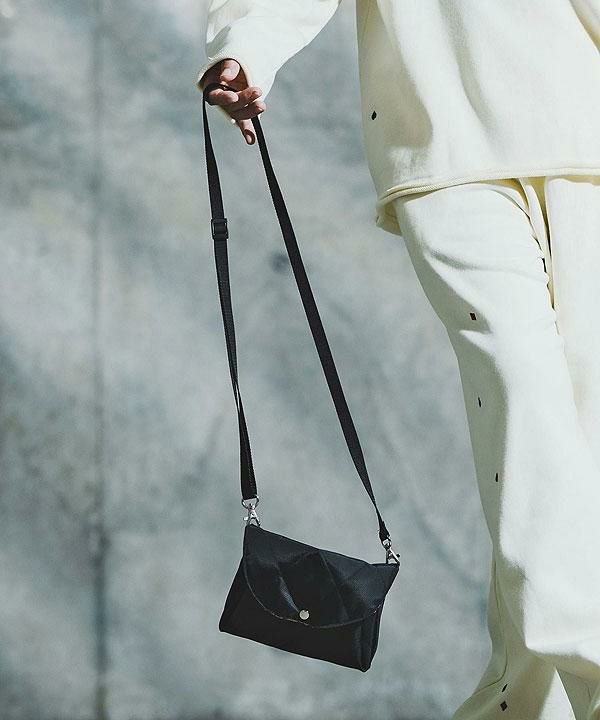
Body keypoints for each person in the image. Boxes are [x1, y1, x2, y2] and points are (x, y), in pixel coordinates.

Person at [196, 2, 600, 719]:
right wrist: (246, 46)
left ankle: (518, 706)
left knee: (579, 433)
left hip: (585, 128)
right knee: (523, 391)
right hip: (442, 140)